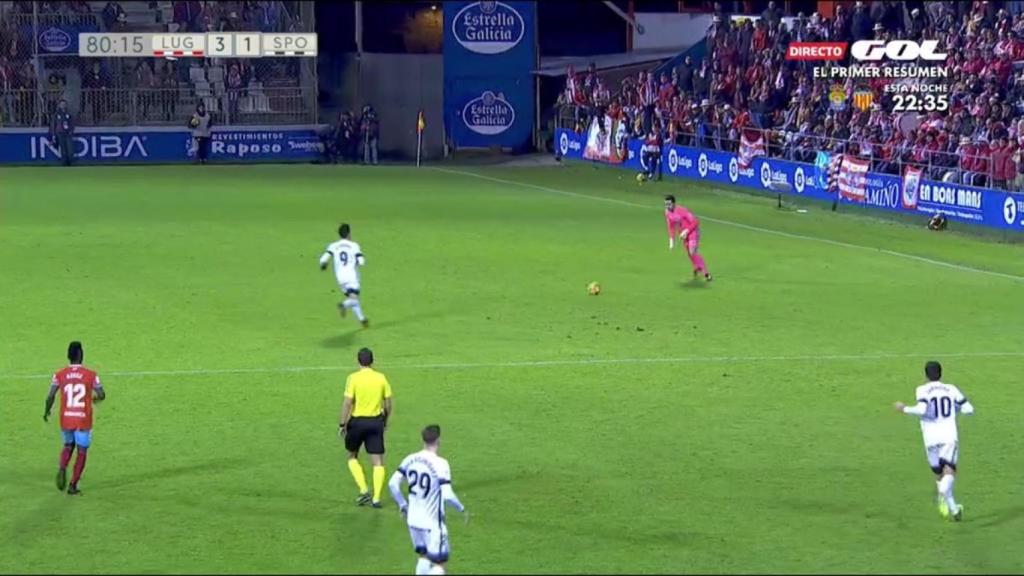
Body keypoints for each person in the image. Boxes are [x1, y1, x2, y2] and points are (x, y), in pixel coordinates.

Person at [894, 361, 974, 521]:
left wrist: (903, 408)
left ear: (926, 375)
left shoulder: (922, 389)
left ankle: (953, 509)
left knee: (939, 473)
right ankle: (943, 493)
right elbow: (969, 409)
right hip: (948, 435)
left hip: (930, 438)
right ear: (941, 373)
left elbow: (922, 409)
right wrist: (955, 409)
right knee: (949, 471)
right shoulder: (951, 388)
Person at [389, 425, 469, 576]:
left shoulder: (410, 459)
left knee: (423, 557)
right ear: (438, 440)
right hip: (432, 523)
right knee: (440, 564)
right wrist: (461, 508)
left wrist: (402, 505)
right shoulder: (441, 463)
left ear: (423, 439)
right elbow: (447, 495)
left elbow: (393, 484)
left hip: (413, 520)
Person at [44, 341, 105, 495]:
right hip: (83, 419)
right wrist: (95, 399)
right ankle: (73, 485)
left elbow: (50, 396)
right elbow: (101, 394)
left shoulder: (59, 374)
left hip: (66, 418)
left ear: (68, 356)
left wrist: (46, 411)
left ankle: (63, 466)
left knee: (68, 445)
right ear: (80, 354)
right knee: (82, 451)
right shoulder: (91, 375)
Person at [339, 347, 392, 508]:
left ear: (358, 361)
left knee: (352, 456)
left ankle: (363, 490)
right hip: (376, 422)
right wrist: (385, 420)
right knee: (378, 462)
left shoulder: (353, 378)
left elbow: (348, 402)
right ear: (372, 361)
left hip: (357, 423)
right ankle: (376, 498)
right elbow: (388, 403)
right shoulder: (381, 378)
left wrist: (342, 423)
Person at [319, 223, 369, 327]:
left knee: (353, 298)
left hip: (340, 278)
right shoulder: (354, 245)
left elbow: (323, 259)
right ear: (349, 233)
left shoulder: (333, 246)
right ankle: (344, 305)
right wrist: (359, 261)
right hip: (351, 276)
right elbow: (361, 261)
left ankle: (362, 319)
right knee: (353, 299)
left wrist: (323, 265)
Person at [664, 195, 711, 282]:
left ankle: (706, 273)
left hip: (693, 231)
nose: (667, 206)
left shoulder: (682, 211)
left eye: (669, 204)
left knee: (692, 251)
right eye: (665, 204)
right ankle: (697, 267)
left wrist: (687, 231)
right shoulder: (667, 213)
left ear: (674, 203)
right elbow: (670, 226)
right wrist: (671, 239)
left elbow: (695, 222)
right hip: (683, 235)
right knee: (690, 254)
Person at [50, 98, 74, 166]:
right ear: (59, 105)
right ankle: (64, 163)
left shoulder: (69, 114)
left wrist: (71, 131)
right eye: (62, 104)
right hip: (60, 133)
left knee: (70, 149)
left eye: (64, 104)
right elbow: (53, 124)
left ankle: (70, 162)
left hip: (68, 133)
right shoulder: (56, 114)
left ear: (66, 105)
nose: (63, 105)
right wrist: (53, 134)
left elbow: (72, 124)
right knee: (63, 149)